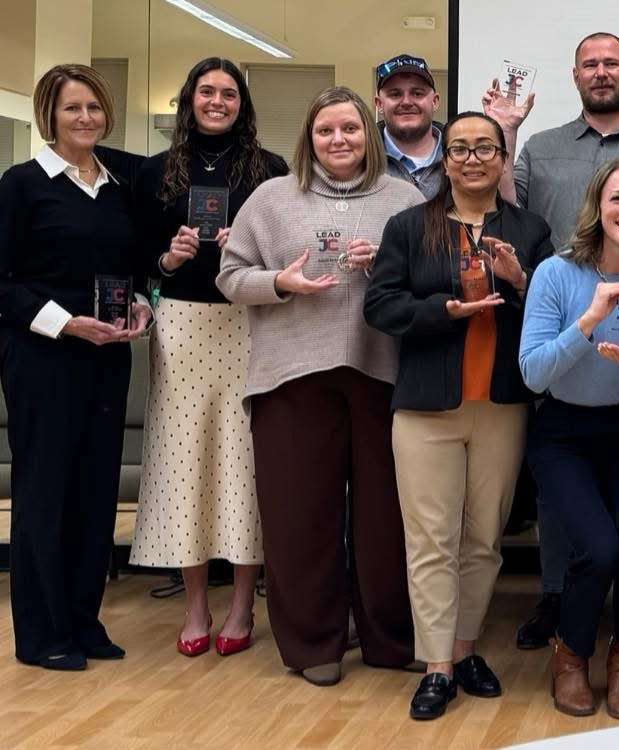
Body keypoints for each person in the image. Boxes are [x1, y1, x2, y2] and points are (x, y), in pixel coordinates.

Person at [216, 86, 424, 686]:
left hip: (380, 375)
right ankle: (313, 645)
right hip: (290, 379)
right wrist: (280, 282)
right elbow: (231, 276)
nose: (339, 141)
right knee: (299, 517)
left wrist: (383, 264)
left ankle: (390, 638)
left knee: (387, 519)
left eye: (351, 130)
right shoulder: (272, 199)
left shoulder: (405, 199)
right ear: (309, 136)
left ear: (371, 134)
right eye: (327, 130)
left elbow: (425, 277)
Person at [364, 112, 555, 720]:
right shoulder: (409, 226)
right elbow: (380, 305)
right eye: (460, 149)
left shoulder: (529, 229)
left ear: (503, 159)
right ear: (444, 161)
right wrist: (440, 311)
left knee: (483, 540)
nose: (473, 159)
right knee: (429, 541)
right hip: (426, 407)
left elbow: (552, 315)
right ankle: (438, 666)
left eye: (485, 149)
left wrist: (519, 280)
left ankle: (467, 648)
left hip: (500, 406)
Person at [494, 31, 619, 651]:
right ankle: (558, 596)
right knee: (564, 494)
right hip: (559, 324)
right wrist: (505, 132)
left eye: (612, 62)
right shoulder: (541, 146)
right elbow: (515, 212)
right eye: (590, 64)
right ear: (575, 75)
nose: (601, 72)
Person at [129, 57, 288, 659]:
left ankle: (244, 602)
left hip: (249, 323)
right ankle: (196, 603)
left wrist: (244, 252)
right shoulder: (153, 174)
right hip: (183, 327)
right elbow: (141, 263)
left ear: (242, 104)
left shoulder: (270, 172)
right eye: (206, 92)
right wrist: (170, 260)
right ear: (188, 100)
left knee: (244, 462)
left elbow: (286, 255)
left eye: (228, 93)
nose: (217, 102)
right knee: (183, 460)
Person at [519, 155, 619, 719]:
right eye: (618, 198)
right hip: (563, 432)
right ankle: (570, 654)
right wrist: (586, 324)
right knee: (599, 547)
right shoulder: (556, 274)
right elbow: (533, 373)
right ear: (598, 205)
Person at [0, 63, 152, 670]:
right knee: (45, 493)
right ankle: (42, 635)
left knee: (94, 492)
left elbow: (133, 269)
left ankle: (85, 622)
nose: (85, 118)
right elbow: (2, 284)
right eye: (71, 109)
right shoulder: (21, 185)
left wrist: (140, 305)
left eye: (93, 107)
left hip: (106, 360)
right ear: (48, 116)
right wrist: (64, 322)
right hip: (43, 359)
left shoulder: (119, 189)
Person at [375, 53, 446, 199]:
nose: (406, 102)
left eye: (417, 93)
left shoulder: (460, 156)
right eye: (395, 94)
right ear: (379, 104)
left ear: (435, 102)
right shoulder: (362, 158)